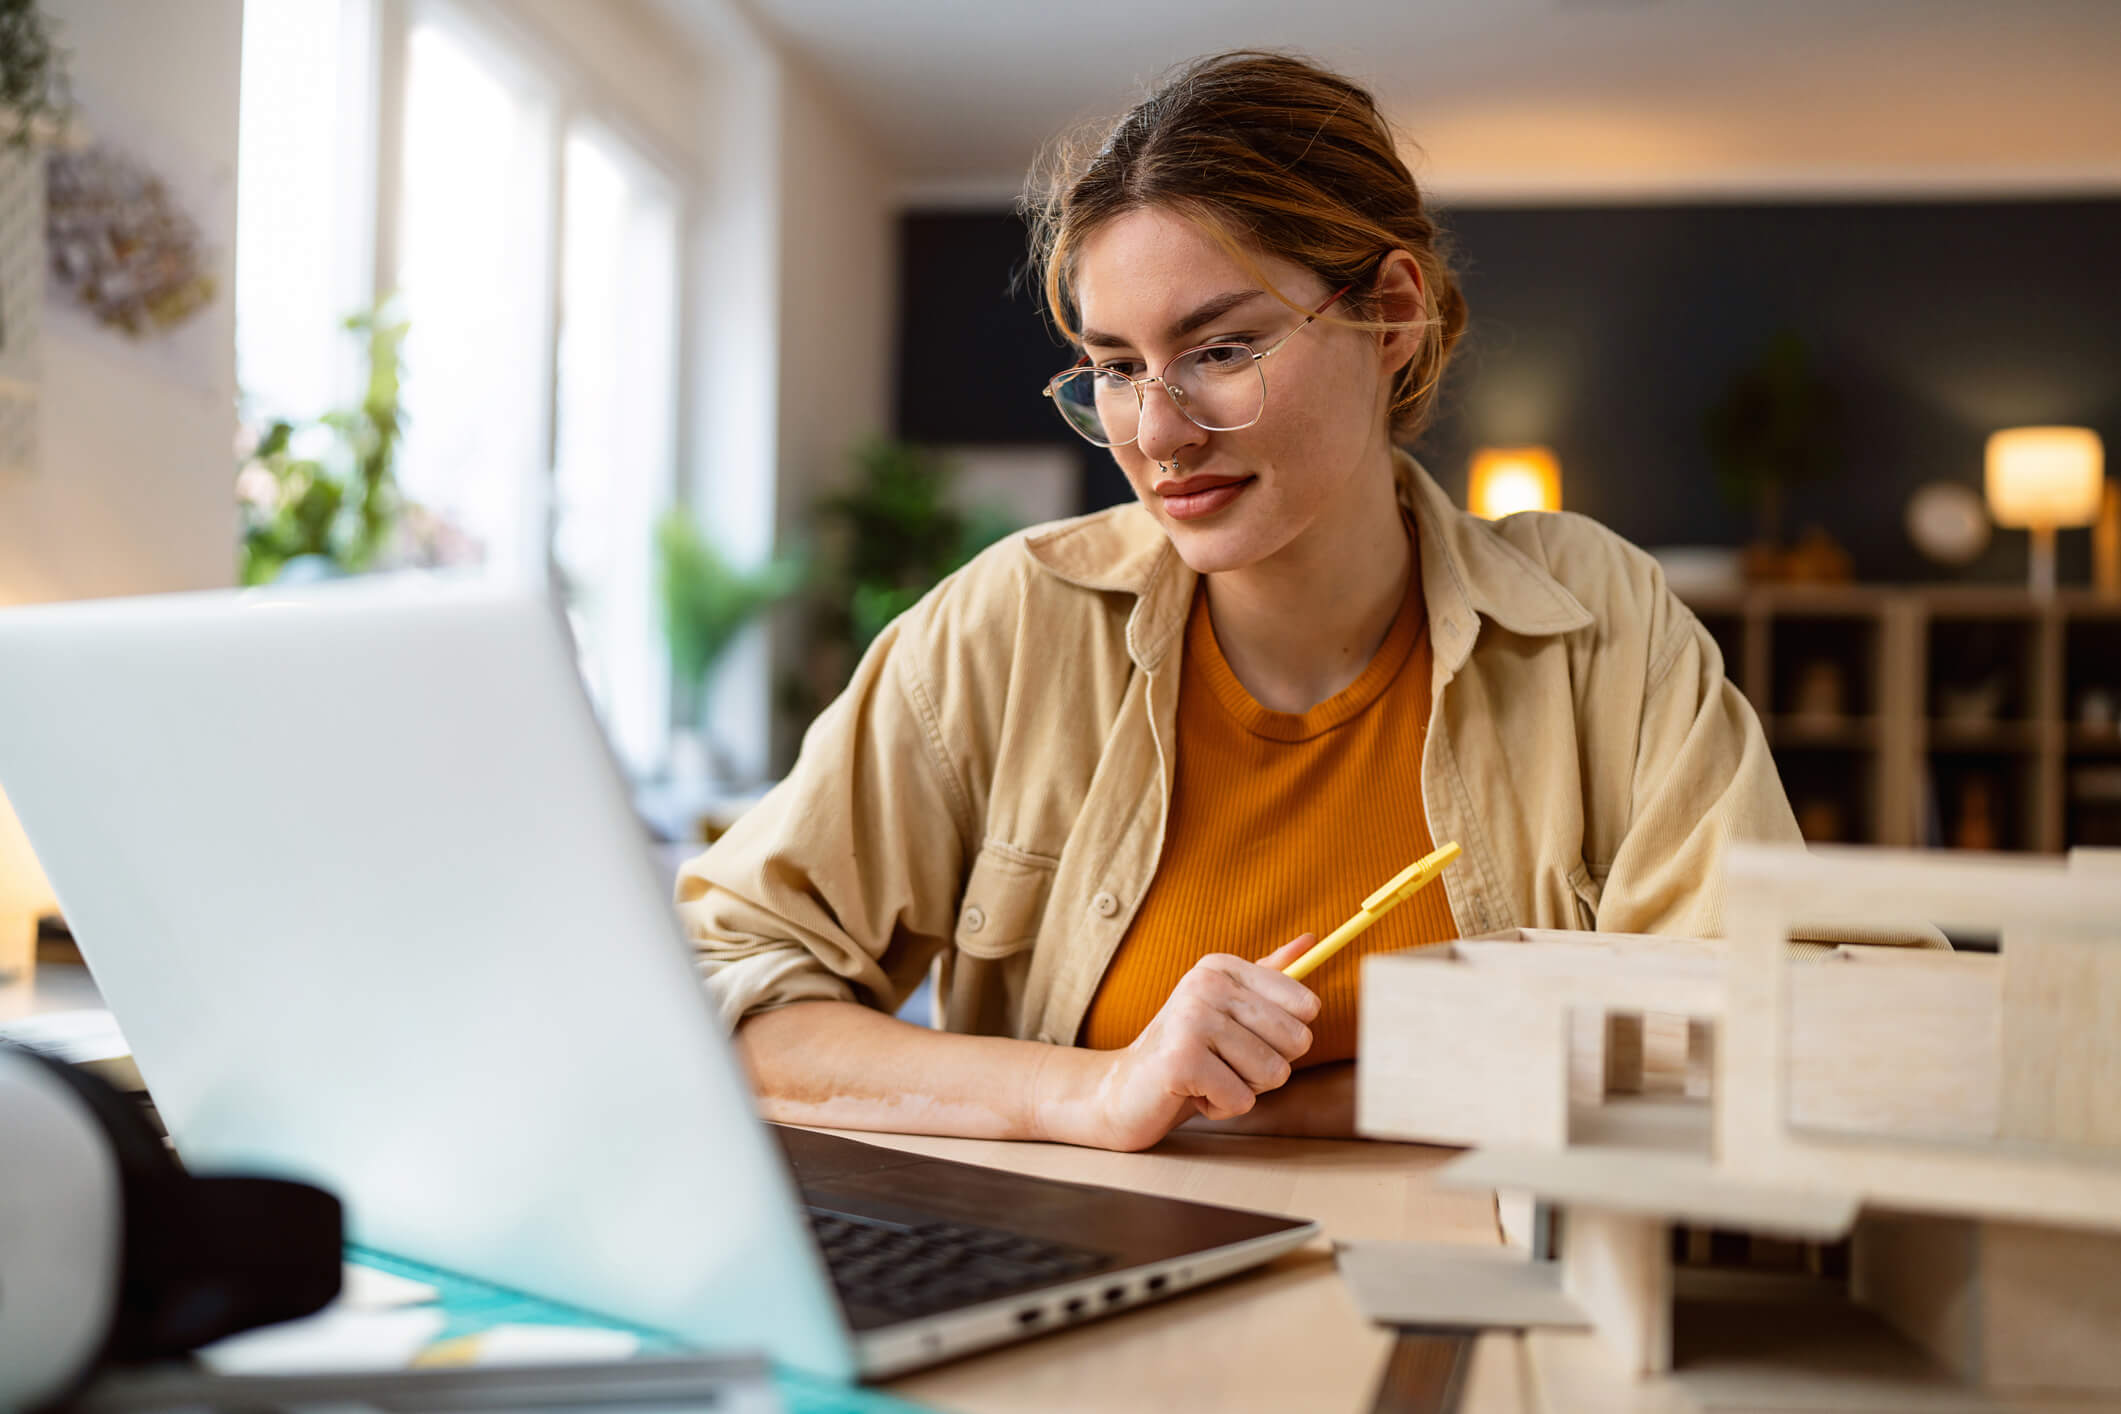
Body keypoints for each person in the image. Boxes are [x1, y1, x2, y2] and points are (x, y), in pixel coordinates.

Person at [677, 50, 1803, 1152]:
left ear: (1394, 315)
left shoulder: (1596, 622)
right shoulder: (1009, 628)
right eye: (1116, 366)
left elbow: (1783, 1032)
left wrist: (1317, 1101)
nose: (1157, 434)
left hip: (1493, 1305)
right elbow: (720, 986)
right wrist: (1092, 1093)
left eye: (1221, 347)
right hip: (1109, 1291)